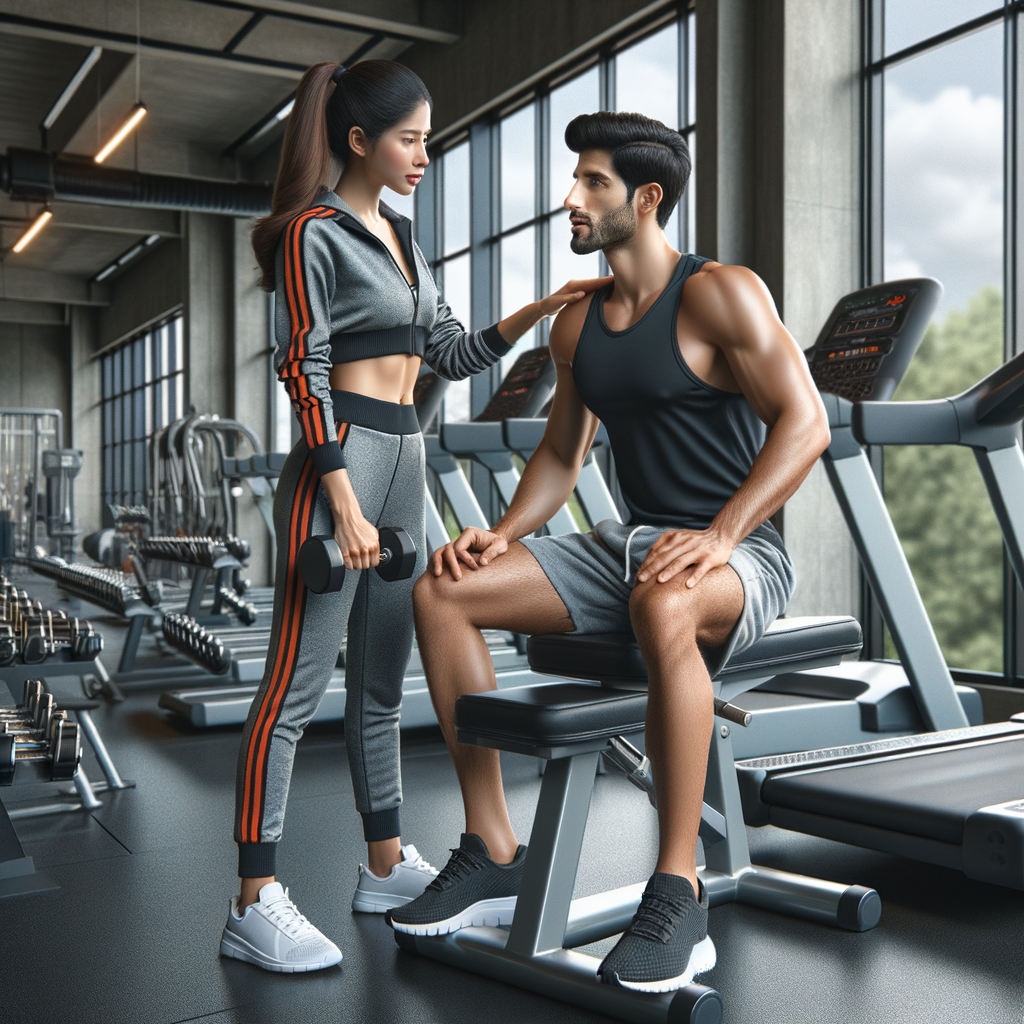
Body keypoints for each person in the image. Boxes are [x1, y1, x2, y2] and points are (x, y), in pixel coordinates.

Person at [388, 111, 831, 993]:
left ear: (648, 198)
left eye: (592, 183)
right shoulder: (577, 326)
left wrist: (720, 535)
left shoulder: (720, 293)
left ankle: (678, 888)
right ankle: (493, 849)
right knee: (443, 591)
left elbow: (806, 423)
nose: (571, 200)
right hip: (622, 544)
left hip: (739, 556)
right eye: (575, 181)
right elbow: (561, 453)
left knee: (662, 601)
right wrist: (502, 535)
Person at [220, 60, 608, 974]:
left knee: (381, 688)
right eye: (410, 139)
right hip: (343, 464)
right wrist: (339, 499)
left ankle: (386, 863)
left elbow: (449, 352)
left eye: (429, 138)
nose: (424, 155)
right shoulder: (313, 233)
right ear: (358, 141)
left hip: (408, 460)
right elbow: (302, 369)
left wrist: (539, 309)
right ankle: (252, 899)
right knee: (293, 689)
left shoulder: (401, 235)